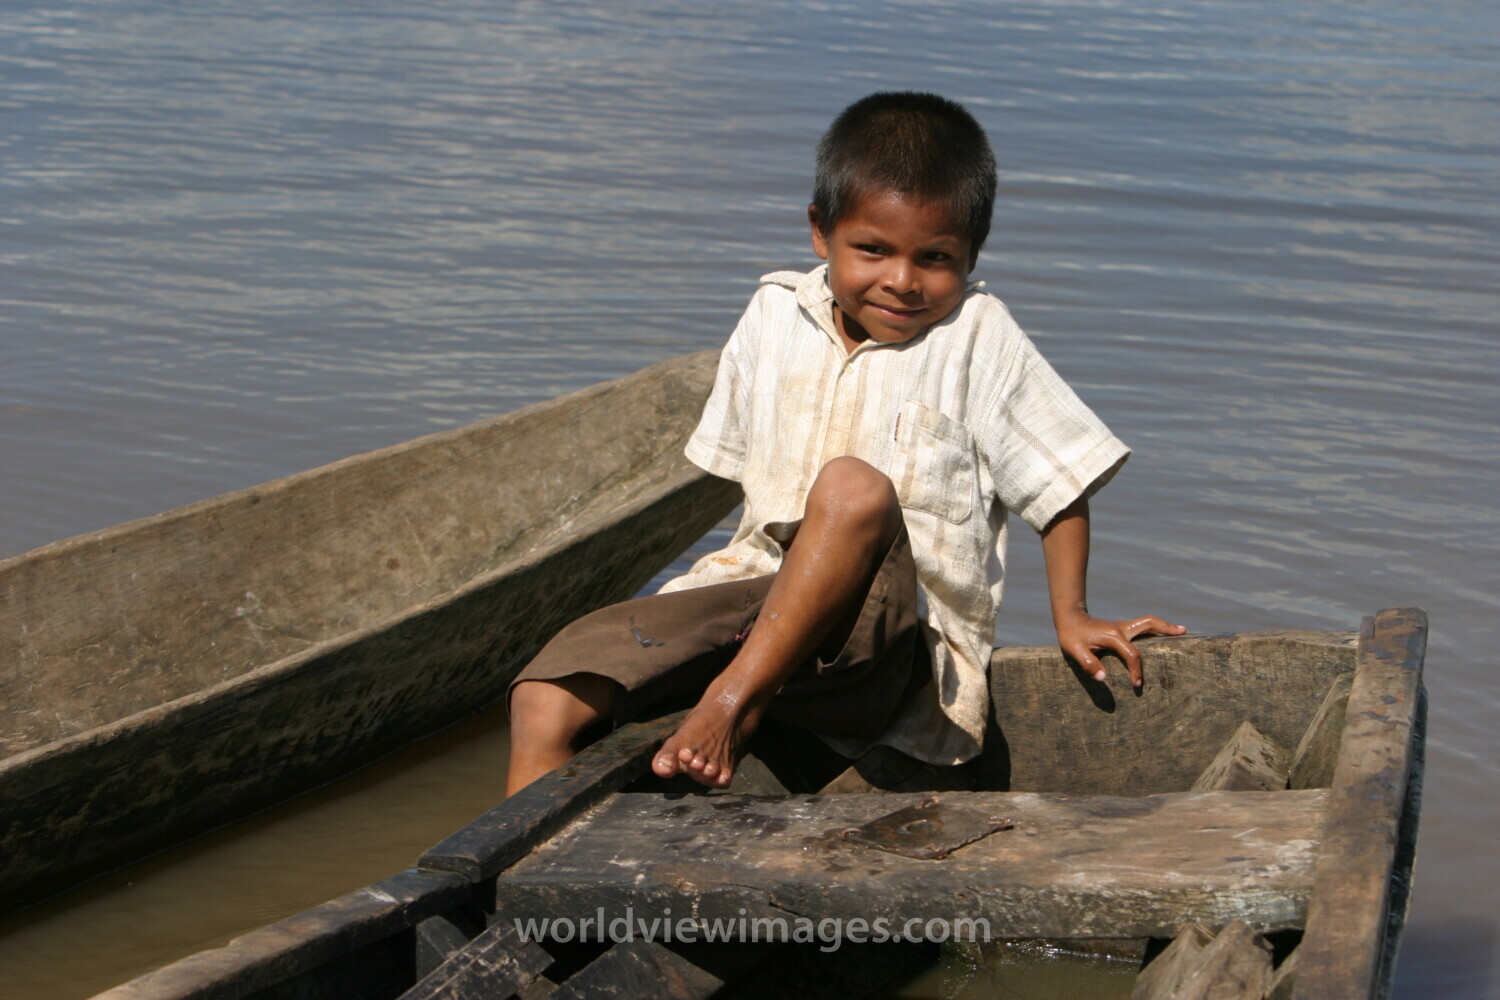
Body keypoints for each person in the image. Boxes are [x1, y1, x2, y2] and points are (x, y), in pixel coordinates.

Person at [504, 91, 1184, 797]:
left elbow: (1059, 482)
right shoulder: (774, 314)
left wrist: (1069, 614)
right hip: (763, 606)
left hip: (889, 647)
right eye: (873, 250)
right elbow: (743, 484)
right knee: (545, 697)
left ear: (972, 256)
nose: (902, 280)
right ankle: (517, 899)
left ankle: (731, 705)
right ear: (819, 233)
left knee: (851, 488)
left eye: (936, 258)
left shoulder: (981, 339)